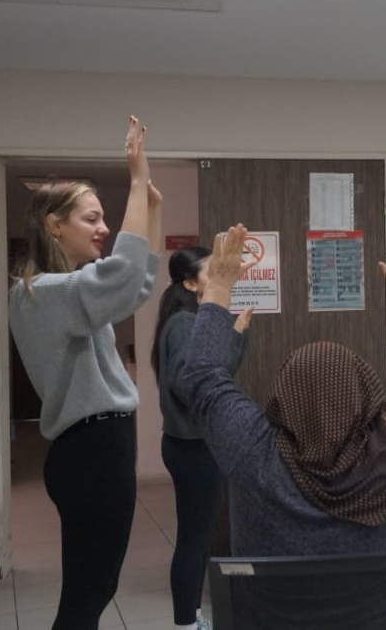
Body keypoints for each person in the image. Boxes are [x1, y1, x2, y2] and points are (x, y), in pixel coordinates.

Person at [179, 228, 386, 630]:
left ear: (281, 398)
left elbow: (200, 375)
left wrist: (218, 288)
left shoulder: (252, 450)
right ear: (366, 393)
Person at [9, 116, 161, 630]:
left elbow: (134, 287)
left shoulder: (68, 292)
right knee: (88, 594)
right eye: (91, 218)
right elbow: (123, 276)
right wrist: (137, 183)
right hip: (91, 452)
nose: (104, 228)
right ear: (54, 225)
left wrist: (152, 208)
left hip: (96, 450)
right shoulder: (44, 293)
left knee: (94, 588)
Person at [151, 246, 250, 630]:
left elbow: (214, 374)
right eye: (212, 270)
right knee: (193, 539)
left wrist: (236, 333)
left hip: (191, 444)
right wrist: (234, 337)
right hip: (192, 447)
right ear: (191, 284)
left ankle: (191, 616)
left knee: (198, 535)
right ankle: (186, 623)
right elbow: (190, 384)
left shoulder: (189, 320)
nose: (222, 274)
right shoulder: (183, 323)